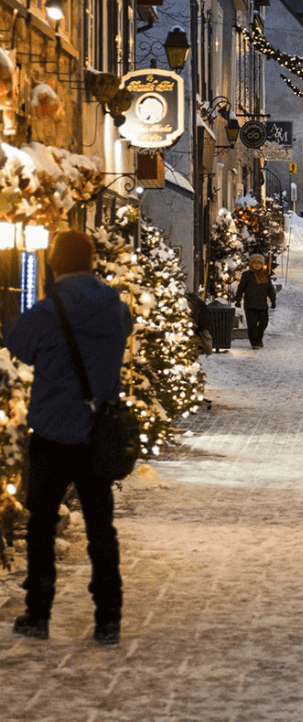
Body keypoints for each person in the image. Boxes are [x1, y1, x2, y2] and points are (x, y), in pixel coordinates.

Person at [4, 230, 133, 645]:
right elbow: (124, 334)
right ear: (93, 261)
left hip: (53, 432)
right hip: (98, 435)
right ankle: (108, 617)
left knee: (41, 525)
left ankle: (38, 614)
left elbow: (17, 344)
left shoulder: (48, 309)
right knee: (101, 528)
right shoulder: (114, 306)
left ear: (57, 262)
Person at [234, 254, 276, 348]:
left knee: (263, 323)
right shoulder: (247, 275)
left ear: (262, 264)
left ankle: (259, 339)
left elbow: (270, 289)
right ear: (251, 264)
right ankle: (254, 343)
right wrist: (238, 299)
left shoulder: (265, 275)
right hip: (250, 305)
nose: (257, 265)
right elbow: (241, 288)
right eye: (255, 263)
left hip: (262, 304)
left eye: (259, 263)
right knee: (252, 325)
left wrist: (273, 300)